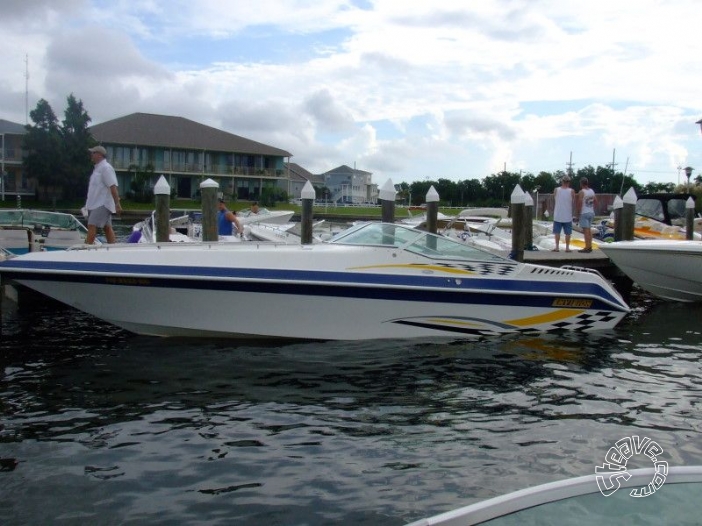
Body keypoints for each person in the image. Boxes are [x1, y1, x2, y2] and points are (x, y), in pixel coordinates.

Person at [85, 145, 121, 244]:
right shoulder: (97, 169)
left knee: (91, 225)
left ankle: (86, 248)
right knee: (107, 227)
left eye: (93, 153)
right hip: (95, 203)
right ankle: (113, 248)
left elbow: (112, 186)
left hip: (102, 204)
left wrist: (117, 204)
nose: (91, 155)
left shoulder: (106, 168)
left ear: (100, 155)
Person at [551, 175, 575, 252]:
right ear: (569, 182)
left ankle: (557, 247)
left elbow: (554, 199)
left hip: (558, 214)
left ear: (562, 181)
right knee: (568, 233)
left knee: (557, 232)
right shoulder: (571, 191)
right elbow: (573, 202)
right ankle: (567, 248)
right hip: (567, 215)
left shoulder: (556, 190)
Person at [576, 177, 597, 253]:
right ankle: (590, 246)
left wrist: (578, 213)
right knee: (589, 230)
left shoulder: (582, 192)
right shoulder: (592, 191)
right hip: (591, 212)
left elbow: (580, 202)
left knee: (586, 231)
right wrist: (592, 208)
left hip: (584, 212)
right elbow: (596, 201)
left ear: (581, 184)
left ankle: (587, 247)